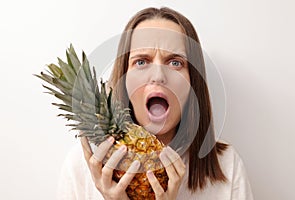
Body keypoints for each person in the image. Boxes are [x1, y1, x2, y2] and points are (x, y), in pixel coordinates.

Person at [57, 7, 254, 200]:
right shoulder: (81, 168)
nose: (158, 76)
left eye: (175, 62)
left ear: (193, 82)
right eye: (141, 62)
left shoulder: (227, 166)